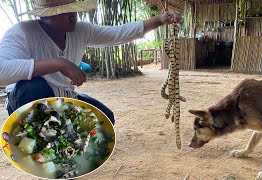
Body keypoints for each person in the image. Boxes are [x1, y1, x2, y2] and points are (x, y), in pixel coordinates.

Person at [0, 0, 181, 124]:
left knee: (105, 118)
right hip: (26, 100)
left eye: (73, 9)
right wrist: (59, 63)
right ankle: (46, 149)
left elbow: (116, 33)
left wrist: (159, 20)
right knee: (33, 86)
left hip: (64, 96)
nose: (73, 15)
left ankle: (69, 136)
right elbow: (2, 72)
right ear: (45, 16)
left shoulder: (80, 30)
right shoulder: (22, 32)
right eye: (64, 12)